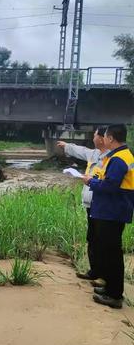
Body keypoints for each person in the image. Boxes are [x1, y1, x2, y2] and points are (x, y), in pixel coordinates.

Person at [82, 124, 134, 309]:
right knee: (109, 251)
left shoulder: (119, 159)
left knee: (112, 254)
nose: (103, 139)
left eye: (105, 136)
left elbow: (110, 186)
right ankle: (111, 288)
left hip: (112, 212)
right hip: (112, 211)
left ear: (111, 138)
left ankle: (114, 295)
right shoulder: (121, 156)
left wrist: (91, 182)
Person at [57, 127, 109, 281]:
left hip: (102, 204)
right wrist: (66, 146)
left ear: (102, 138)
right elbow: (81, 150)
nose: (93, 137)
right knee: (92, 238)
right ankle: (95, 272)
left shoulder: (111, 158)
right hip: (90, 203)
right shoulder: (94, 154)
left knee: (102, 240)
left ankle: (104, 275)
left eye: (94, 135)